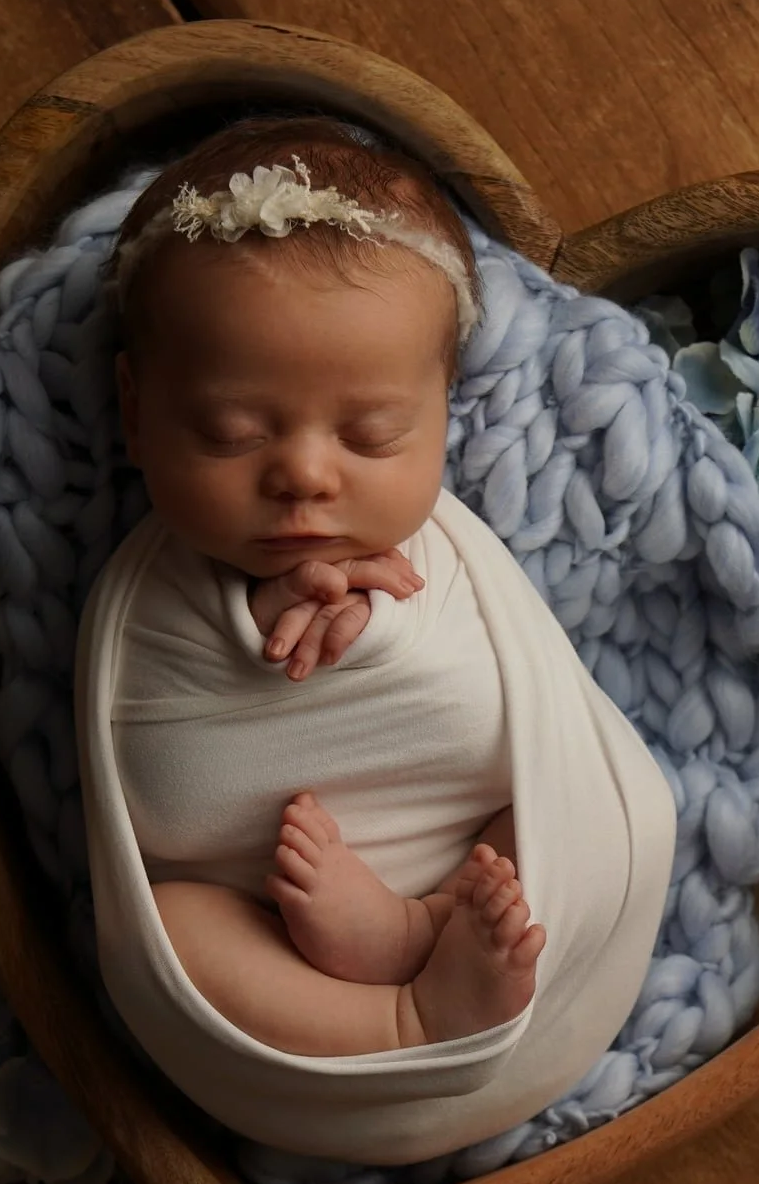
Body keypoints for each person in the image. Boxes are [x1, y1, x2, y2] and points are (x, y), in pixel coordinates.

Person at [98, 115, 546, 1057]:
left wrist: (386, 619)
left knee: (582, 794)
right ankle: (403, 1018)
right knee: (172, 927)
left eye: (373, 434)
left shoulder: (459, 562)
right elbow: (159, 781)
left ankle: (423, 932)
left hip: (473, 877)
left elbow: (534, 706)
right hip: (263, 926)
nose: (305, 475)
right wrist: (261, 620)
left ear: (444, 417)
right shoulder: (146, 589)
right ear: (135, 412)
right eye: (230, 430)